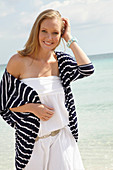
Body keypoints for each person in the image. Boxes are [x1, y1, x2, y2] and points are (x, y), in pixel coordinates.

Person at [0, 9, 94, 170]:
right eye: (44, 31)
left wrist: (69, 38)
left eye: (55, 32)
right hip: (31, 144)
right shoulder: (18, 61)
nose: (49, 38)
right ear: (36, 30)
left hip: (62, 140)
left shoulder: (62, 61)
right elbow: (3, 102)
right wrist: (32, 108)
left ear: (60, 35)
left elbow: (87, 68)